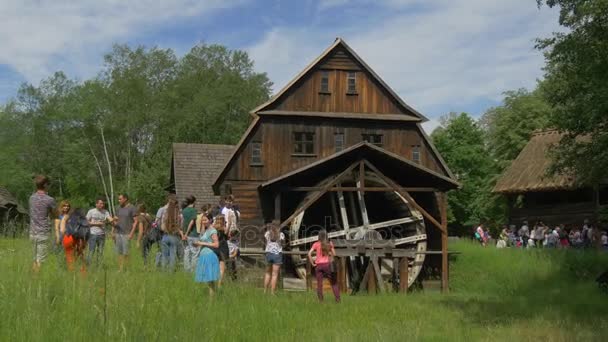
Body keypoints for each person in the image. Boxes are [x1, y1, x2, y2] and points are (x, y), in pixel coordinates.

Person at [29, 175, 57, 272]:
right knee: (40, 260)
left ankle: (32, 278)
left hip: (32, 232)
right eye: (48, 184)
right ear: (45, 185)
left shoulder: (31, 198)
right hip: (43, 233)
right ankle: (35, 281)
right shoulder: (49, 199)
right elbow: (55, 215)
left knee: (35, 259)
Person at [308, 229, 340, 303]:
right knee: (334, 283)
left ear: (319, 236)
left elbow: (309, 254)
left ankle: (321, 301)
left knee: (319, 284)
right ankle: (338, 300)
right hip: (327, 265)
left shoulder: (316, 244)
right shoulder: (329, 243)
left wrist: (312, 263)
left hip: (318, 266)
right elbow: (334, 254)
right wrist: (329, 254)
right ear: (326, 236)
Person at [194, 214, 220, 296]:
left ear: (210, 220)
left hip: (209, 256)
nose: (203, 222)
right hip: (204, 255)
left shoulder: (213, 230)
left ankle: (211, 302)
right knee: (208, 281)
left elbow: (216, 244)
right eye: (202, 220)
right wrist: (197, 244)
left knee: (210, 281)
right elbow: (206, 242)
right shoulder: (206, 230)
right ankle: (212, 300)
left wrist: (201, 243)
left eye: (205, 220)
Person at [112, 193, 137, 271]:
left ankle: (127, 269)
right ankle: (120, 269)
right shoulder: (118, 208)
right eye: (118, 199)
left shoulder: (132, 208)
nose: (119, 200)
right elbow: (115, 219)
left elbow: (136, 222)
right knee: (119, 252)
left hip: (127, 233)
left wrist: (131, 233)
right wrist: (112, 231)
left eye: (120, 199)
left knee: (126, 253)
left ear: (125, 199)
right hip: (118, 233)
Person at [86, 197, 113, 266]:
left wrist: (113, 219)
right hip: (93, 234)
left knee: (100, 251)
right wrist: (97, 224)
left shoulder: (105, 212)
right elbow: (86, 222)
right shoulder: (91, 211)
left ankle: (98, 266)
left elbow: (110, 219)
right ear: (96, 204)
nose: (102, 205)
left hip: (102, 234)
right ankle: (88, 266)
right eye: (100, 203)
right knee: (91, 251)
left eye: (103, 203)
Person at [160, 195, 184, 271]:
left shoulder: (165, 214)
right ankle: (171, 272)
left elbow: (162, 227)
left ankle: (164, 271)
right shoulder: (179, 215)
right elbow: (181, 227)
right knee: (172, 255)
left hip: (165, 236)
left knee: (164, 255)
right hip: (174, 236)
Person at [61, 208, 89, 273]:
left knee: (70, 258)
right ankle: (83, 276)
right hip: (81, 240)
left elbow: (63, 230)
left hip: (68, 238)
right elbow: (87, 232)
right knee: (81, 258)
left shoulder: (68, 218)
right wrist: (85, 243)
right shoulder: (84, 220)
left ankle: (72, 274)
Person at [264, 222, 284, 295]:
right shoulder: (281, 234)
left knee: (267, 273)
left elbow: (266, 242)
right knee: (274, 274)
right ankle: (272, 293)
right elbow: (282, 244)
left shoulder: (267, 233)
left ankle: (265, 291)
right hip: (277, 254)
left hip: (268, 254)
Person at [183, 195, 200, 272]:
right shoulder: (193, 210)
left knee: (187, 251)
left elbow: (183, 222)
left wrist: (184, 233)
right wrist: (187, 232)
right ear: (194, 202)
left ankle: (186, 269)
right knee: (195, 253)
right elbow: (192, 222)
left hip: (185, 235)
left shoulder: (184, 210)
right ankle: (193, 270)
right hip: (193, 234)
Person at [213, 215, 230, 287]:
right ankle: (219, 284)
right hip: (223, 248)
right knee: (222, 268)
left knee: (214, 266)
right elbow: (228, 237)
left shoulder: (213, 228)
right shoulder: (224, 228)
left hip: (215, 248)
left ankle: (213, 282)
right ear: (223, 221)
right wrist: (229, 224)